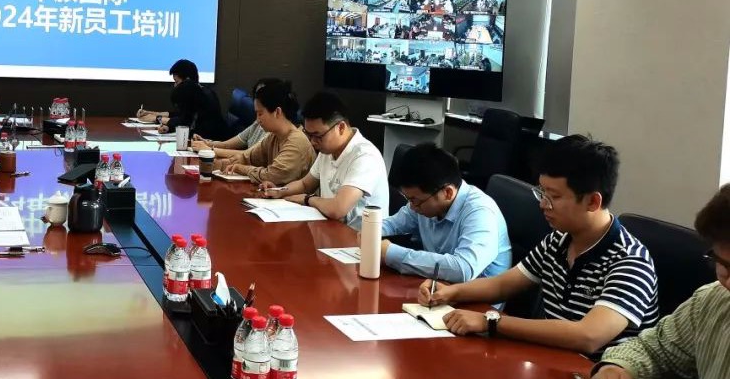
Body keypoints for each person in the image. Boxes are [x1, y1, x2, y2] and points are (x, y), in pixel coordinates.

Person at [418, 135, 658, 357]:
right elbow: (502, 285)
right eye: (542, 192)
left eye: (554, 196)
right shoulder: (558, 240)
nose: (543, 204)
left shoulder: (630, 262)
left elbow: (588, 336)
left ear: (593, 201)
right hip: (553, 360)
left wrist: (490, 321)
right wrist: (450, 292)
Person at [592, 185, 730, 379]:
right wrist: (617, 369)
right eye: (725, 265)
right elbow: (653, 349)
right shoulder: (711, 301)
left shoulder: (630, 259)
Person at [378, 143, 511, 281]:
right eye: (409, 199)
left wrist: (392, 253)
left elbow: (463, 269)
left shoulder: (481, 212)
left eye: (414, 200)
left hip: (477, 292)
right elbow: (393, 224)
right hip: (439, 284)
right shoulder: (423, 201)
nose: (411, 207)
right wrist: (370, 231)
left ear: (447, 193)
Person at [259, 91, 387, 228]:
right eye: (309, 135)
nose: (313, 142)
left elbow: (338, 209)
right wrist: (280, 191)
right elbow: (305, 184)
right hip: (330, 229)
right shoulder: (327, 150)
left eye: (318, 135)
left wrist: (308, 199)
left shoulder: (365, 156)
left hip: (359, 237)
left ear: (341, 127)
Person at [214, 81, 314, 185]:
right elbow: (247, 158)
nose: (257, 120)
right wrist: (213, 164)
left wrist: (241, 168)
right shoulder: (273, 136)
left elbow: (272, 176)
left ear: (277, 112)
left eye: (260, 113)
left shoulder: (297, 142)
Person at [136, 59, 227, 140]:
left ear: (187, 80)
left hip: (211, 142)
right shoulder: (197, 93)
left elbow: (186, 122)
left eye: (176, 82)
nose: (175, 86)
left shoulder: (205, 97)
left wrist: (157, 119)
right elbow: (180, 115)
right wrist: (154, 116)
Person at [191, 77, 281, 159]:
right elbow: (227, 145)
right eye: (257, 96)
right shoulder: (258, 123)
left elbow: (248, 155)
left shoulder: (273, 132)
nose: (260, 99)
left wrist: (209, 150)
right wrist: (206, 143)